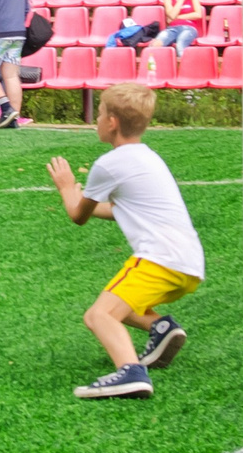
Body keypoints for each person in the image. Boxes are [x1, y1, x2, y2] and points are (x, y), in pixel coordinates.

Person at [45, 81, 204, 400]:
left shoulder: (109, 164)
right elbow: (121, 209)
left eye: (100, 113)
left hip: (159, 259)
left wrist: (66, 187)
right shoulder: (148, 157)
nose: (98, 119)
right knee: (118, 299)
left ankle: (130, 372)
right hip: (189, 265)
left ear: (112, 122)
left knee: (98, 315)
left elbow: (79, 215)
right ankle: (161, 328)